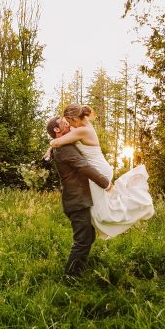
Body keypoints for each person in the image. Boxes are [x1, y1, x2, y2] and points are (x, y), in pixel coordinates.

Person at [48, 104, 155, 240]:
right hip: (101, 167)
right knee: (100, 208)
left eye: (68, 122)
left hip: (98, 170)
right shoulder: (84, 128)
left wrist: (49, 147)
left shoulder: (81, 131)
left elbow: (56, 143)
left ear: (74, 118)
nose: (69, 125)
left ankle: (137, 205)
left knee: (101, 212)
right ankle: (97, 233)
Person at [46, 116, 112, 278]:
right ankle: (71, 278)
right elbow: (84, 167)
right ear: (56, 129)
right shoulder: (64, 149)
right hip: (76, 200)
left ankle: (78, 270)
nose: (68, 125)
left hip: (78, 199)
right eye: (64, 123)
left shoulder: (63, 145)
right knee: (82, 239)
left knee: (87, 236)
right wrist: (106, 184)